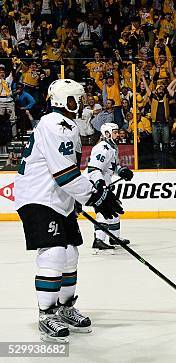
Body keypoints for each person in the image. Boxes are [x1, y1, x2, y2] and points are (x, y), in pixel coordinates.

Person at [13, 79, 123, 343]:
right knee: (53, 253)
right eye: (76, 99)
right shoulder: (55, 124)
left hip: (57, 198)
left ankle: (65, 307)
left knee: (70, 253)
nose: (81, 103)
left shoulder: (65, 125)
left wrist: (78, 198)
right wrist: (95, 196)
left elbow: (65, 172)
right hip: (39, 197)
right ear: (63, 101)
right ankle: (46, 312)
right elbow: (64, 173)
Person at [87, 122, 134, 254]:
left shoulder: (111, 147)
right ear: (106, 133)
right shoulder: (102, 148)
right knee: (103, 211)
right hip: (98, 185)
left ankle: (114, 238)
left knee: (114, 209)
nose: (118, 134)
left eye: (117, 132)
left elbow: (113, 167)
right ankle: (98, 240)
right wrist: (100, 185)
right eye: (115, 132)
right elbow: (93, 169)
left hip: (104, 185)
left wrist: (122, 171)